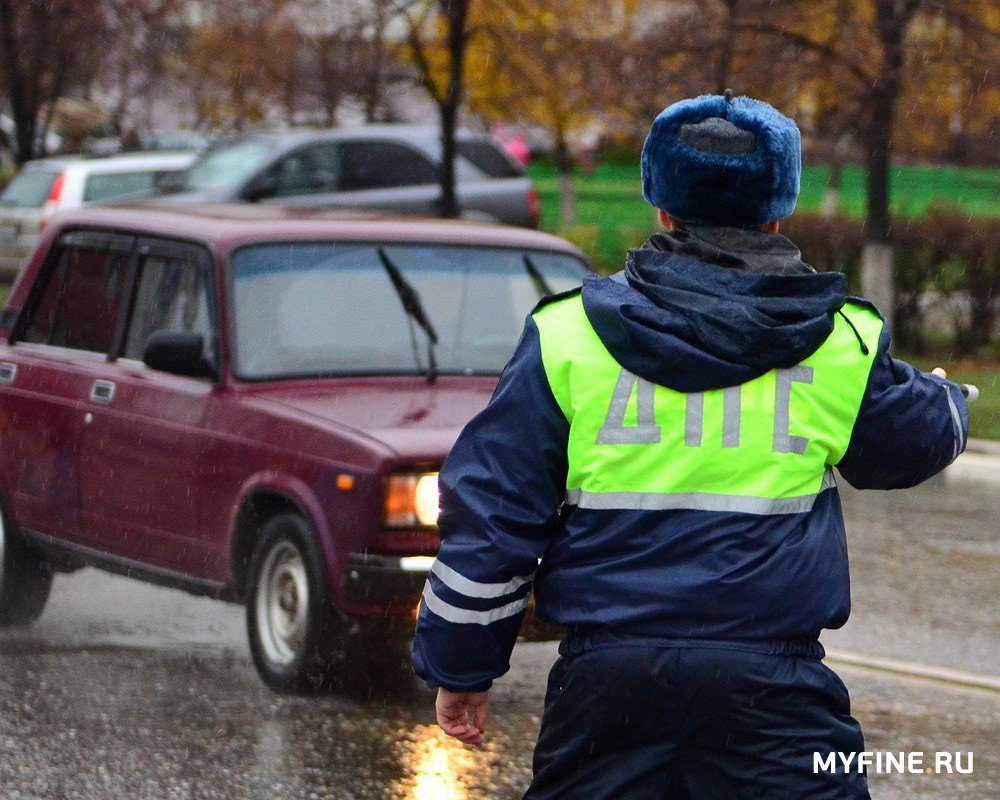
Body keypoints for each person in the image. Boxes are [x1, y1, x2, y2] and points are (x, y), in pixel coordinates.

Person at [411, 92, 969, 799]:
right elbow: (911, 442)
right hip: (774, 695)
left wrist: (460, 668)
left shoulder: (566, 338)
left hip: (607, 689)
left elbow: (493, 520)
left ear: (661, 209)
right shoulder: (838, 342)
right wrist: (950, 397)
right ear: (777, 212)